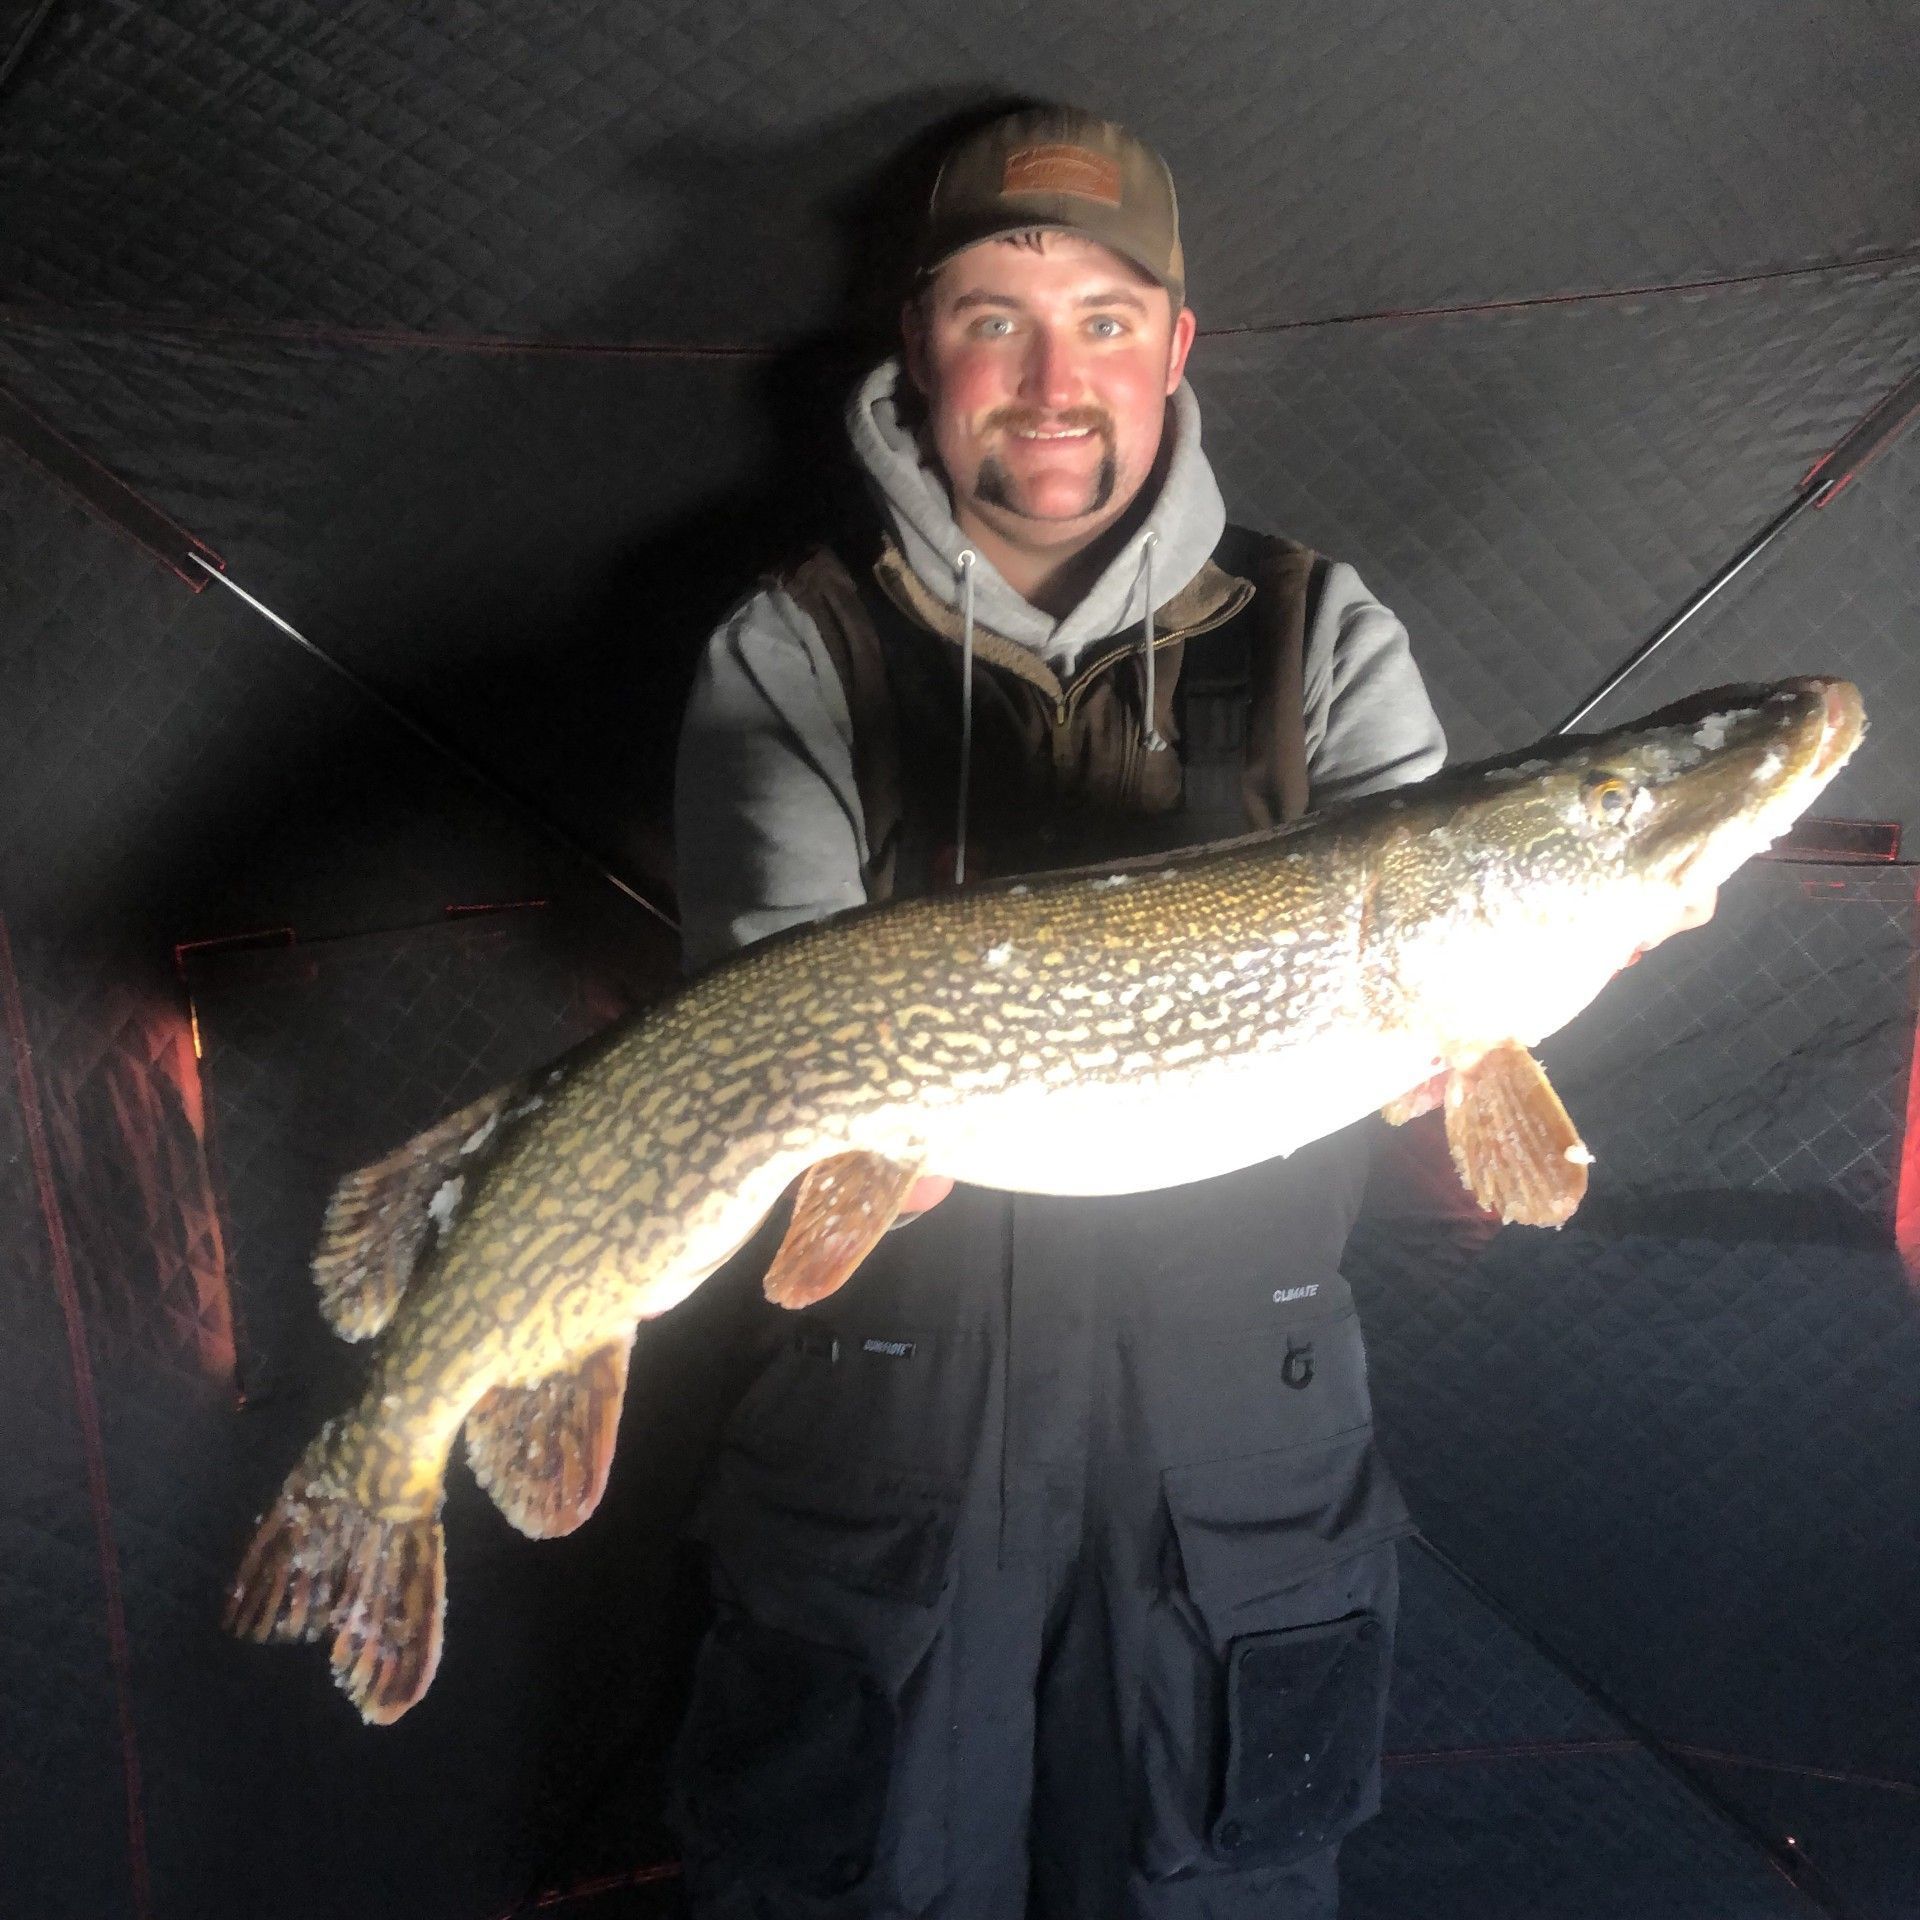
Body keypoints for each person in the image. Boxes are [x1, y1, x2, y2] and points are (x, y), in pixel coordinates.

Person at [668, 105, 1447, 1920]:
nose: (1050, 376)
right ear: (917, 350)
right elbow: (775, 1026)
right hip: (884, 1435)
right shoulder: (788, 649)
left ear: (1178, 348)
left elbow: (1439, 1023)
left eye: (1106, 315)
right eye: (991, 314)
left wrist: (1533, 986)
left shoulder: (1327, 633)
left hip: (1237, 1456)